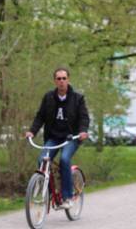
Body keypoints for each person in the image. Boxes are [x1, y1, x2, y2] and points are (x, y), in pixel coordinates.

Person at [26, 67, 90, 209]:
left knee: (64, 159)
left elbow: (84, 118)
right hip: (53, 137)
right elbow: (40, 117)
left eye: (64, 78)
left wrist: (83, 131)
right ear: (55, 81)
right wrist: (32, 131)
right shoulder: (48, 97)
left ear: (68, 79)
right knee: (42, 159)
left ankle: (67, 197)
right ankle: (47, 193)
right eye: (58, 78)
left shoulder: (77, 98)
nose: (61, 81)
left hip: (70, 137)